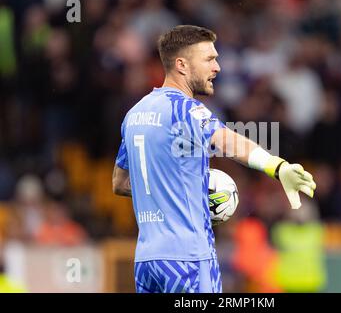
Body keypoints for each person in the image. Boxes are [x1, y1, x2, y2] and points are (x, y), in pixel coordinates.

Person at [112, 25, 316, 293]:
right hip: (188, 259)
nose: (217, 67)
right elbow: (226, 140)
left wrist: (173, 193)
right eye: (209, 59)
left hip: (147, 260)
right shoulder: (185, 108)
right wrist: (276, 166)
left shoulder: (135, 114)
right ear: (182, 65)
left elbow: (119, 182)